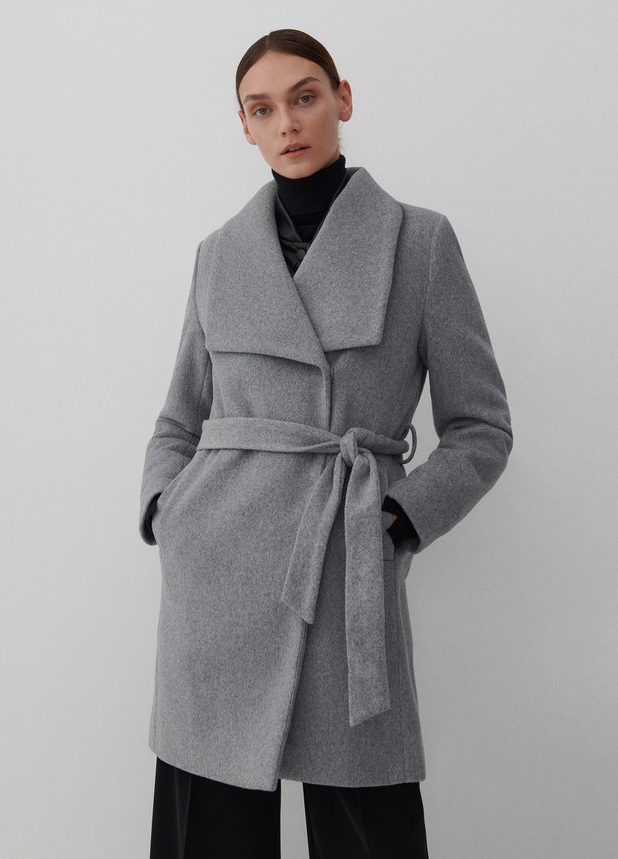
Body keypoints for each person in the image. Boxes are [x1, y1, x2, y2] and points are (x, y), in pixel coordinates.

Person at [139, 28, 513, 858]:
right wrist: (170, 512)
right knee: (209, 827)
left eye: (304, 97)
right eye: (261, 108)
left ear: (342, 100)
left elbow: (481, 427)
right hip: (217, 576)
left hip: (345, 562)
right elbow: (178, 419)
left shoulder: (418, 242)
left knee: (367, 826)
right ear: (243, 126)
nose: (286, 123)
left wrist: (395, 521)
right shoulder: (217, 256)